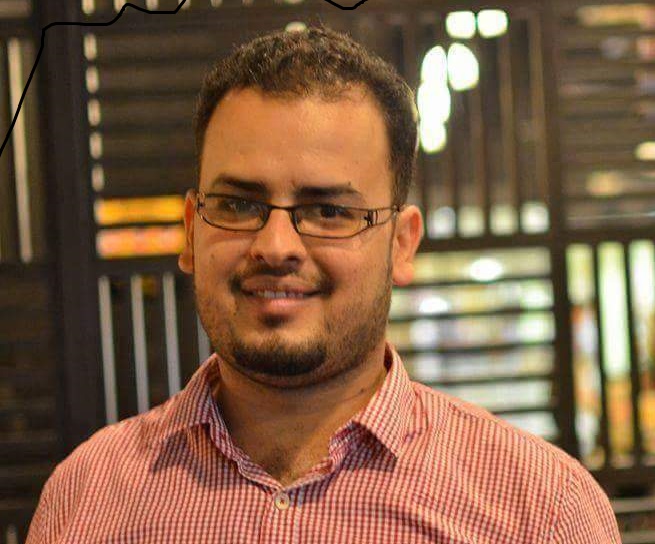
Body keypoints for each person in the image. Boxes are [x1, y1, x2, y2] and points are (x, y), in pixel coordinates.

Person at [27, 26, 620, 543]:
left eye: (329, 212)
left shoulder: (538, 510)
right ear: (191, 229)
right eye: (237, 204)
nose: (276, 246)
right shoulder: (87, 498)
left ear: (402, 243)